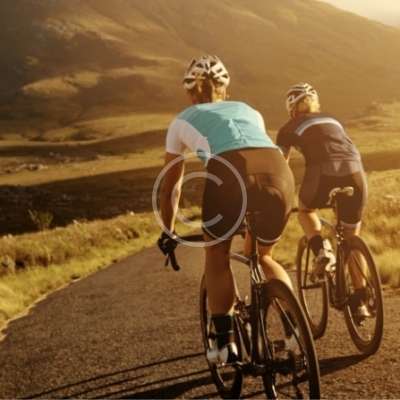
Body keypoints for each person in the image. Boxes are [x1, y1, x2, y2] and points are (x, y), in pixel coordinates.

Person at [157, 55, 295, 364]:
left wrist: (168, 230)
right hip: (278, 172)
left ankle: (224, 344)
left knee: (217, 257)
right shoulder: (249, 111)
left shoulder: (181, 120)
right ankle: (294, 330)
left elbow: (170, 188)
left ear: (189, 91)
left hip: (228, 172)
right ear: (225, 88)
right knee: (264, 256)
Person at [276, 82, 370, 319]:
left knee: (306, 211)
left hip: (322, 173)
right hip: (356, 172)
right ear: (316, 103)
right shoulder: (333, 119)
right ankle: (361, 300)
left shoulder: (287, 128)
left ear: (291, 108)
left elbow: (280, 166)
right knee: (351, 237)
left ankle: (321, 250)